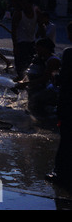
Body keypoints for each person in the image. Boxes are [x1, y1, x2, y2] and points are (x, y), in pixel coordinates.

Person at [46, 22, 72, 185]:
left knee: (66, 140)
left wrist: (55, 76)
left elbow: (64, 79)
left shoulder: (69, 53)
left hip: (69, 105)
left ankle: (60, 173)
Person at [15, 38, 61, 118]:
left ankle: (45, 121)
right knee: (31, 105)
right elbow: (29, 72)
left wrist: (26, 84)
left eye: (38, 48)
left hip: (52, 90)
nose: (36, 50)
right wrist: (22, 81)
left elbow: (45, 79)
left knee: (35, 101)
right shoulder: (39, 58)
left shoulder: (53, 61)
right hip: (38, 87)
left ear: (45, 48)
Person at [11, 0, 44, 81]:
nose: (24, 6)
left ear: (31, 4)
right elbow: (13, 31)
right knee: (20, 65)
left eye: (26, 4)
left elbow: (41, 25)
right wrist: (15, 46)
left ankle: (27, 80)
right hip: (20, 42)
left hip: (31, 42)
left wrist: (39, 33)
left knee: (31, 63)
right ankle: (20, 79)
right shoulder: (18, 13)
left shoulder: (36, 11)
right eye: (22, 4)